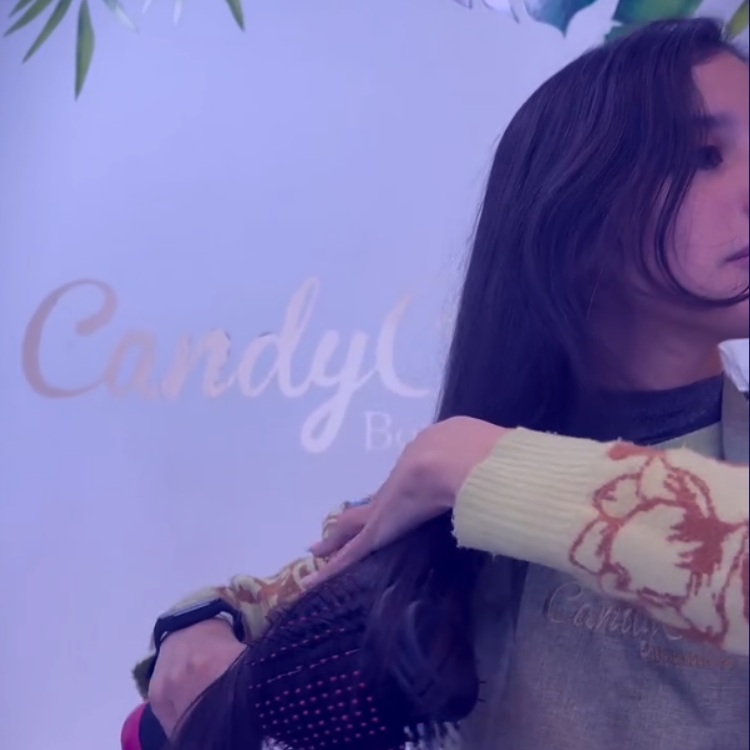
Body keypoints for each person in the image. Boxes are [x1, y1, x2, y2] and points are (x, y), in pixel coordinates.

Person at [132, 18, 749, 750]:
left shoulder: (472, 466)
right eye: (704, 156)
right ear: (576, 217)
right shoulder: (464, 477)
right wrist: (200, 624)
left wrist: (474, 464)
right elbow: (283, 590)